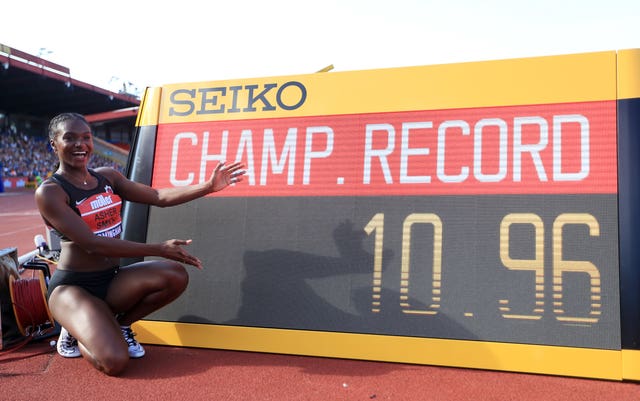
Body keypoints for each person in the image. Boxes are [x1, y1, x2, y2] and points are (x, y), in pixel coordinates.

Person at [35, 112, 245, 376]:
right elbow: (92, 244)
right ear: (54, 144)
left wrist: (208, 186)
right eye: (70, 138)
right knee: (115, 362)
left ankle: (119, 325)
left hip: (111, 281)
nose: (80, 144)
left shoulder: (108, 178)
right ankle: (77, 330)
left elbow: (157, 196)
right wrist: (158, 248)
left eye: (86, 137)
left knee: (174, 275)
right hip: (72, 288)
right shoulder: (51, 192)